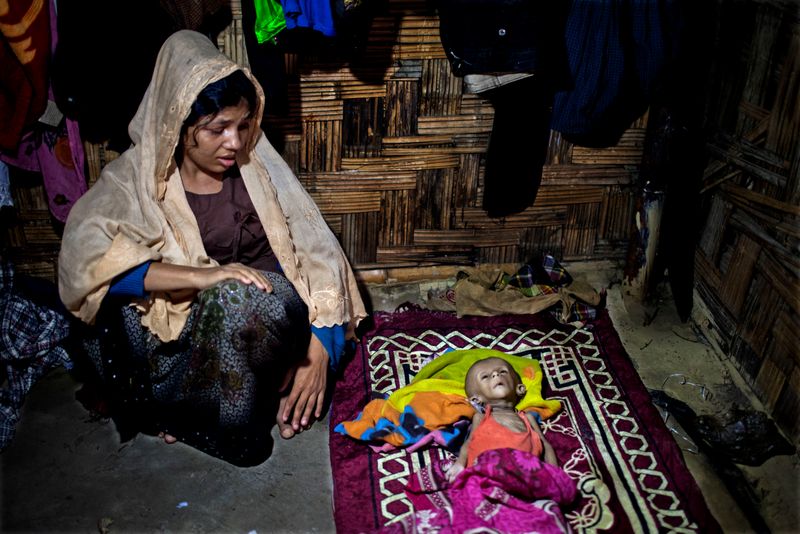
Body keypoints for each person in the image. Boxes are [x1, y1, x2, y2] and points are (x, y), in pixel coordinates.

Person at [58, 30, 366, 466]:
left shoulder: (256, 167)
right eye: (216, 129)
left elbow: (317, 254)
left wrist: (319, 351)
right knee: (109, 319)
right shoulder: (136, 179)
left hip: (261, 326)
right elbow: (86, 265)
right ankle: (186, 411)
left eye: (242, 125)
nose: (235, 142)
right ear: (179, 123)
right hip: (187, 339)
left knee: (248, 297)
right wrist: (202, 276)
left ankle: (218, 423)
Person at [446, 356, 557, 481]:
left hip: (525, 479)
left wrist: (555, 475)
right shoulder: (481, 417)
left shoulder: (528, 418)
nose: (495, 374)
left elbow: (545, 445)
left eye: (502, 372)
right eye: (485, 376)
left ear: (520, 388)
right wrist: (460, 463)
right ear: (476, 400)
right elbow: (469, 442)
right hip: (485, 478)